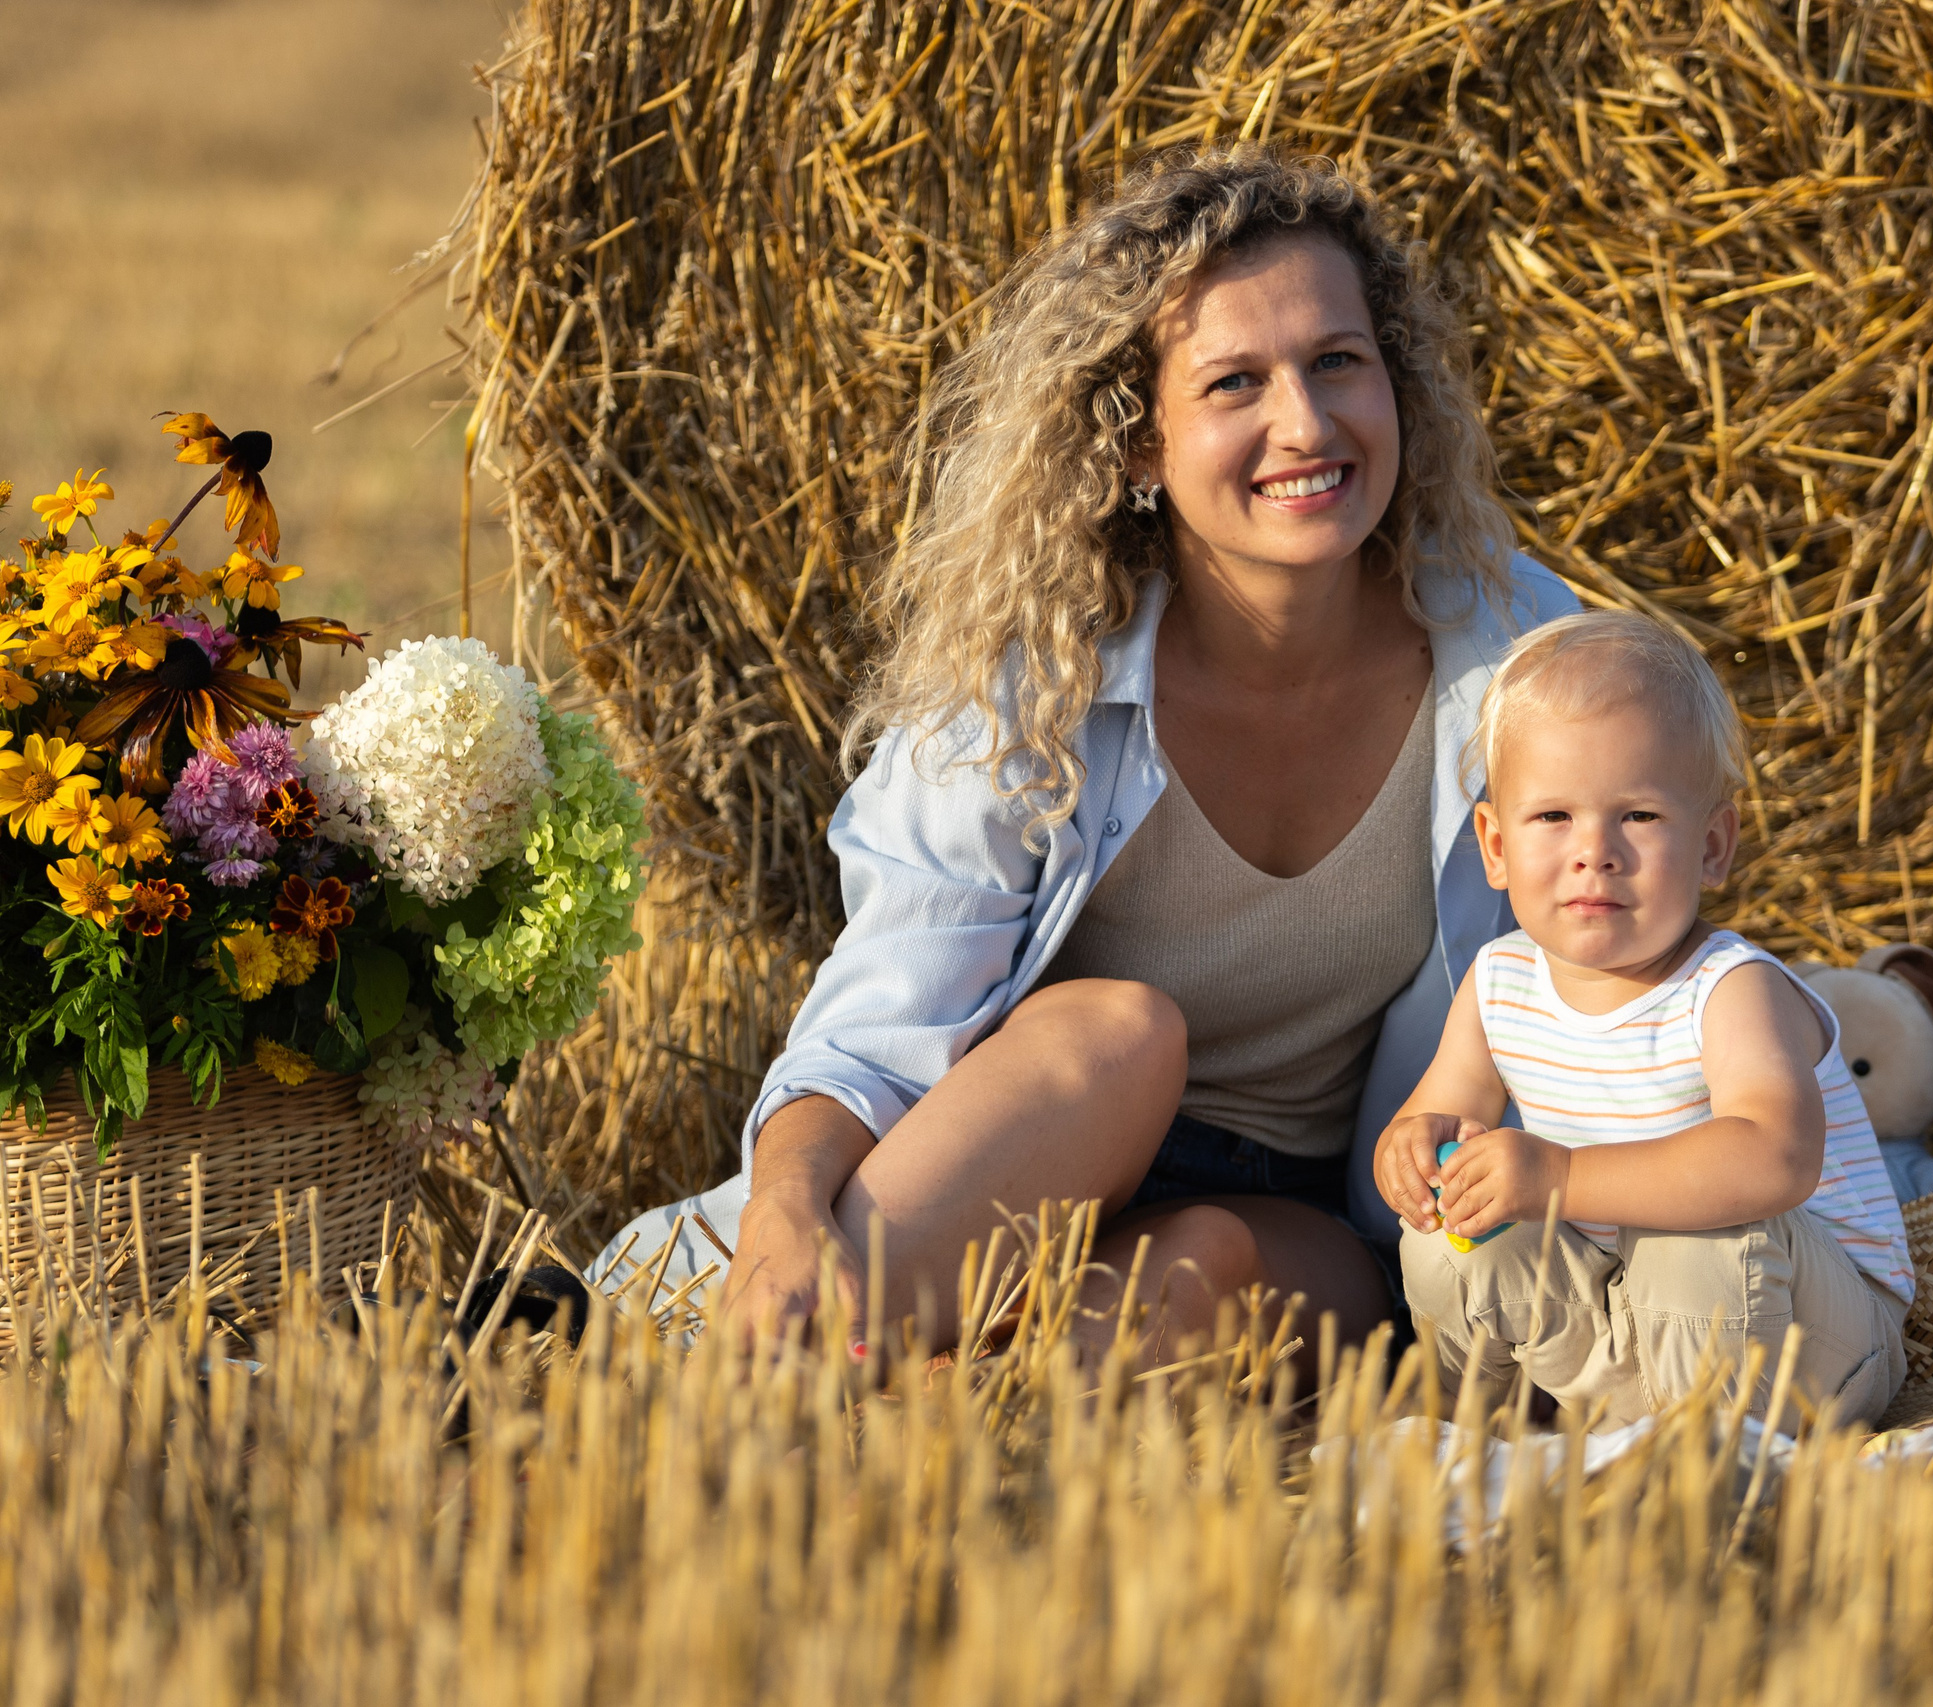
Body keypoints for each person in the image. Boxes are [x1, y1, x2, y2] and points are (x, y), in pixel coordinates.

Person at [596, 144, 1580, 1362]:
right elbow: (872, 1033)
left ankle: (934, 1408)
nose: (1305, 423)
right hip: (1024, 1152)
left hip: (1300, 1207)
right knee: (1114, 1032)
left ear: (1401, 390)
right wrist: (787, 1212)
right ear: (1135, 446)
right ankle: (779, 1361)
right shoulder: (1028, 688)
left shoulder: (1532, 665)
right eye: (1234, 384)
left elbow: (1643, 963)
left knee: (1207, 1269)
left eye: (1339, 362)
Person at [1376, 612, 1913, 1426]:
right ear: (1493, 845)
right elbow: (1439, 1112)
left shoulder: (1730, 988)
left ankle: (1706, 1467)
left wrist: (1558, 1178)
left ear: (1713, 845)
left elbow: (1775, 1159)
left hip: (1810, 1334)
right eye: (1554, 817)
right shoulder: (1499, 980)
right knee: (1458, 1231)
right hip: (1625, 1309)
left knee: (1700, 1233)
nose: (1596, 850)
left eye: (1639, 816)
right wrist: (1411, 1152)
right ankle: (1487, 1439)